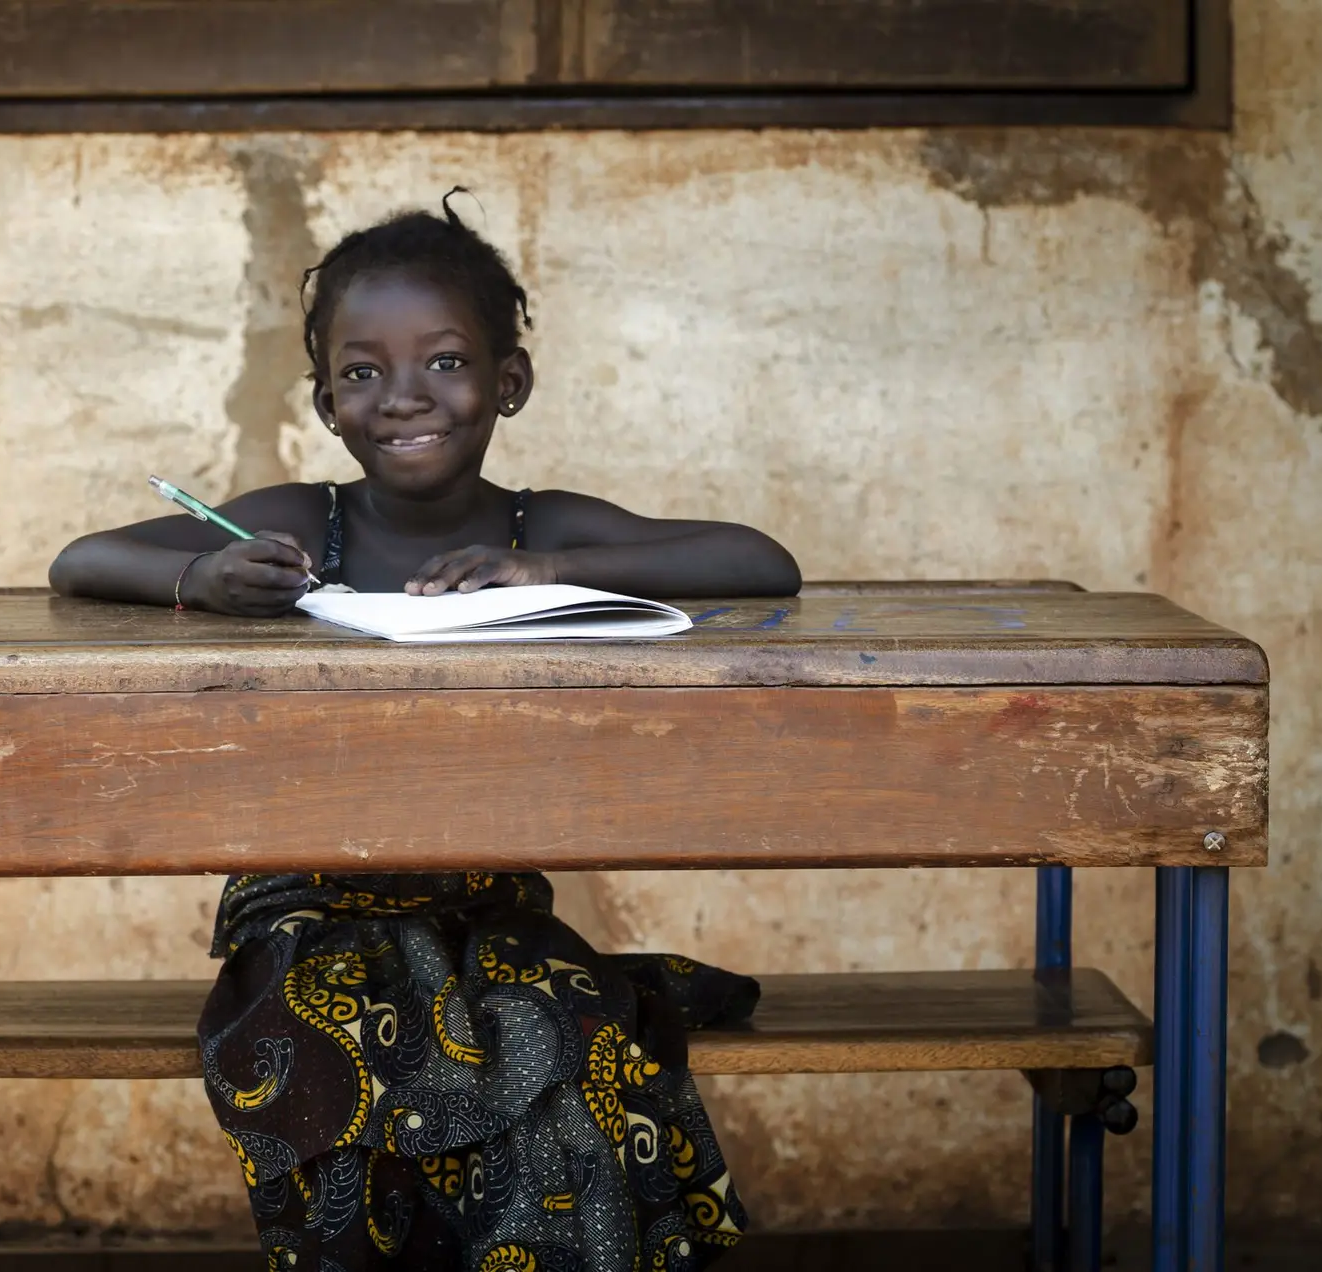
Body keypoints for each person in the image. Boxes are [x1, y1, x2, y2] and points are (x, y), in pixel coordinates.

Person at [50, 194, 800, 1271]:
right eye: (362, 374)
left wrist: (543, 573)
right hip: (305, 909)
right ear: (324, 402)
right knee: (331, 1050)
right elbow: (81, 558)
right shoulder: (311, 522)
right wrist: (203, 577)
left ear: (510, 383)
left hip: (481, 906)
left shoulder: (539, 528)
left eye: (444, 363)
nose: (404, 398)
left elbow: (757, 562)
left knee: (559, 1036)